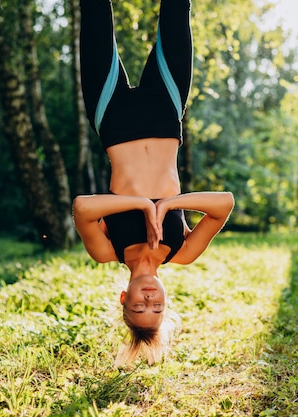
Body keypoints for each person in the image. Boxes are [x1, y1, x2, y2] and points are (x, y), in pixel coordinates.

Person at [73, 0, 234, 366]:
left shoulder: (107, 251)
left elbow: (83, 208)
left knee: (95, 10)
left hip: (112, 117)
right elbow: (224, 203)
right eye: (157, 306)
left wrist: (144, 205)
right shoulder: (183, 252)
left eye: (139, 306)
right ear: (166, 300)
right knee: (177, 8)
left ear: (122, 298)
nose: (149, 298)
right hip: (165, 112)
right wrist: (168, 205)